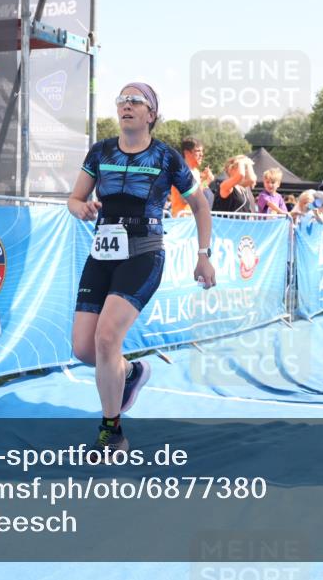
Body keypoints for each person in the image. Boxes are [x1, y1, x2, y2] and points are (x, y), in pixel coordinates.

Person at [68, 83, 216, 452]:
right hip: (102, 252)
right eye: (122, 100)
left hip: (143, 251)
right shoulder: (100, 151)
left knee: (106, 339)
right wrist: (80, 207)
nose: (127, 105)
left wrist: (203, 254)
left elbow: (200, 205)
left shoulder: (166, 157)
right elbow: (74, 198)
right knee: (84, 349)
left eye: (136, 101)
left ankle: (111, 431)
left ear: (151, 114)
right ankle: (131, 371)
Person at [170, 138, 214, 216]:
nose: (202, 154)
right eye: (198, 151)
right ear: (187, 153)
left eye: (202, 151)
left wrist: (204, 182)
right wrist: (205, 182)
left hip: (193, 220)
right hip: (182, 221)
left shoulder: (196, 172)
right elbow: (187, 199)